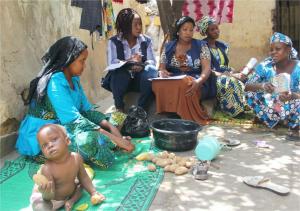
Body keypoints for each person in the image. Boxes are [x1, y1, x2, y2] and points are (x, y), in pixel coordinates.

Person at [16, 36, 134, 168]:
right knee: (89, 141)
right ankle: (110, 144)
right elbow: (73, 120)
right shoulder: (55, 83)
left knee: (117, 118)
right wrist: (116, 139)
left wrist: (111, 127)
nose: (84, 66)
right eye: (81, 61)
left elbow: (87, 111)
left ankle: (109, 143)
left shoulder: (74, 79)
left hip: (66, 127)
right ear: (68, 60)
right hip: (48, 140)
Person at [152, 16, 212, 125]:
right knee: (157, 83)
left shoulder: (201, 45)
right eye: (185, 29)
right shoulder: (169, 46)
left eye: (191, 30)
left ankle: (186, 118)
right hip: (174, 78)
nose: (188, 32)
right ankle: (168, 113)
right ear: (178, 31)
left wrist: (199, 81)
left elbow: (207, 68)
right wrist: (162, 71)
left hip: (196, 80)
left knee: (185, 84)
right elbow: (162, 67)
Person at [31, 124, 105, 211]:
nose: (50, 145)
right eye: (44, 145)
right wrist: (46, 193)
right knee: (40, 207)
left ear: (67, 141)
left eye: (54, 139)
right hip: (50, 200)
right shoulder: (47, 168)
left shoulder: (76, 158)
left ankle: (71, 201)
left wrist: (93, 192)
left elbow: (84, 178)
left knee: (82, 185)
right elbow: (49, 196)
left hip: (68, 194)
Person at [245, 32, 299, 136]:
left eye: (277, 49)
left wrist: (292, 96)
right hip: (272, 107)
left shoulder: (298, 68)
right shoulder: (265, 66)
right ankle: (274, 121)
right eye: (271, 50)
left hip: (292, 107)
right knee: (249, 94)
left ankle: (294, 126)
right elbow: (247, 86)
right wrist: (263, 86)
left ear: (288, 50)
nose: (273, 52)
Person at [103, 8, 158, 112]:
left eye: (140, 24)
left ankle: (141, 110)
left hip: (140, 81)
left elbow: (152, 62)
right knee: (118, 73)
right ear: (126, 26)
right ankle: (119, 108)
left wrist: (142, 64)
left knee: (151, 70)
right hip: (121, 82)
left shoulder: (146, 41)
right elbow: (111, 63)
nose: (139, 27)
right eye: (135, 24)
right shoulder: (114, 42)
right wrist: (130, 62)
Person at [198, 16, 247, 117]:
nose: (216, 31)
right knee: (227, 81)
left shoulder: (222, 46)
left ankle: (244, 105)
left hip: (225, 73)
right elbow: (207, 70)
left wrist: (236, 72)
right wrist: (229, 75)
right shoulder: (202, 46)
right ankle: (233, 109)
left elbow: (225, 66)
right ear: (206, 32)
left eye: (217, 28)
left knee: (247, 77)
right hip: (211, 77)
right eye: (212, 29)